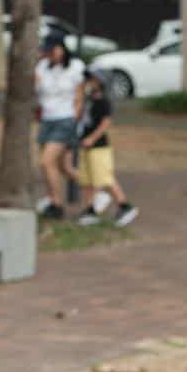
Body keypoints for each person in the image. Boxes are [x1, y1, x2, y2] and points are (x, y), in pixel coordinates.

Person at [74, 68, 139, 227]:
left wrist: (92, 138)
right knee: (88, 180)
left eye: (92, 79)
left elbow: (105, 123)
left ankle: (125, 206)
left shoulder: (104, 101)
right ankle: (90, 209)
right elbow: (78, 114)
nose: (89, 81)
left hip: (99, 147)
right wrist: (80, 93)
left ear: (101, 82)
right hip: (85, 145)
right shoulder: (89, 99)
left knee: (105, 178)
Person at [34, 33, 85, 220]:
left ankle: (57, 204)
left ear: (62, 48)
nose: (51, 54)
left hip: (65, 119)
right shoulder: (42, 68)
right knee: (63, 167)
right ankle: (96, 191)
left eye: (53, 50)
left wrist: (75, 121)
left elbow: (80, 97)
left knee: (46, 161)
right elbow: (37, 92)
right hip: (47, 119)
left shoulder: (75, 67)